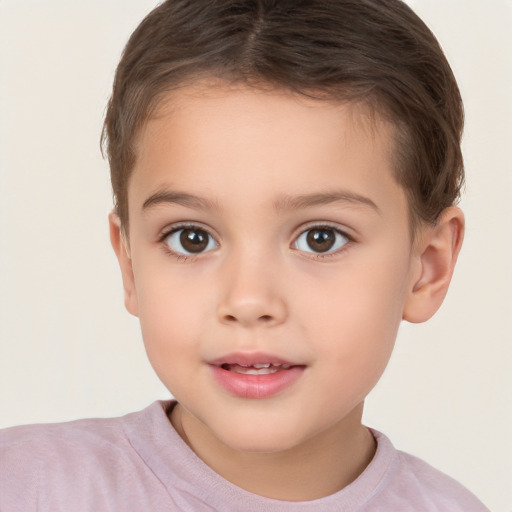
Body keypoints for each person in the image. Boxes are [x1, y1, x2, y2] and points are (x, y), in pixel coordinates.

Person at [0, 0, 491, 510]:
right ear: (129, 264)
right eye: (192, 238)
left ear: (427, 268)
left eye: (321, 238)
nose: (249, 300)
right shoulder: (23, 488)